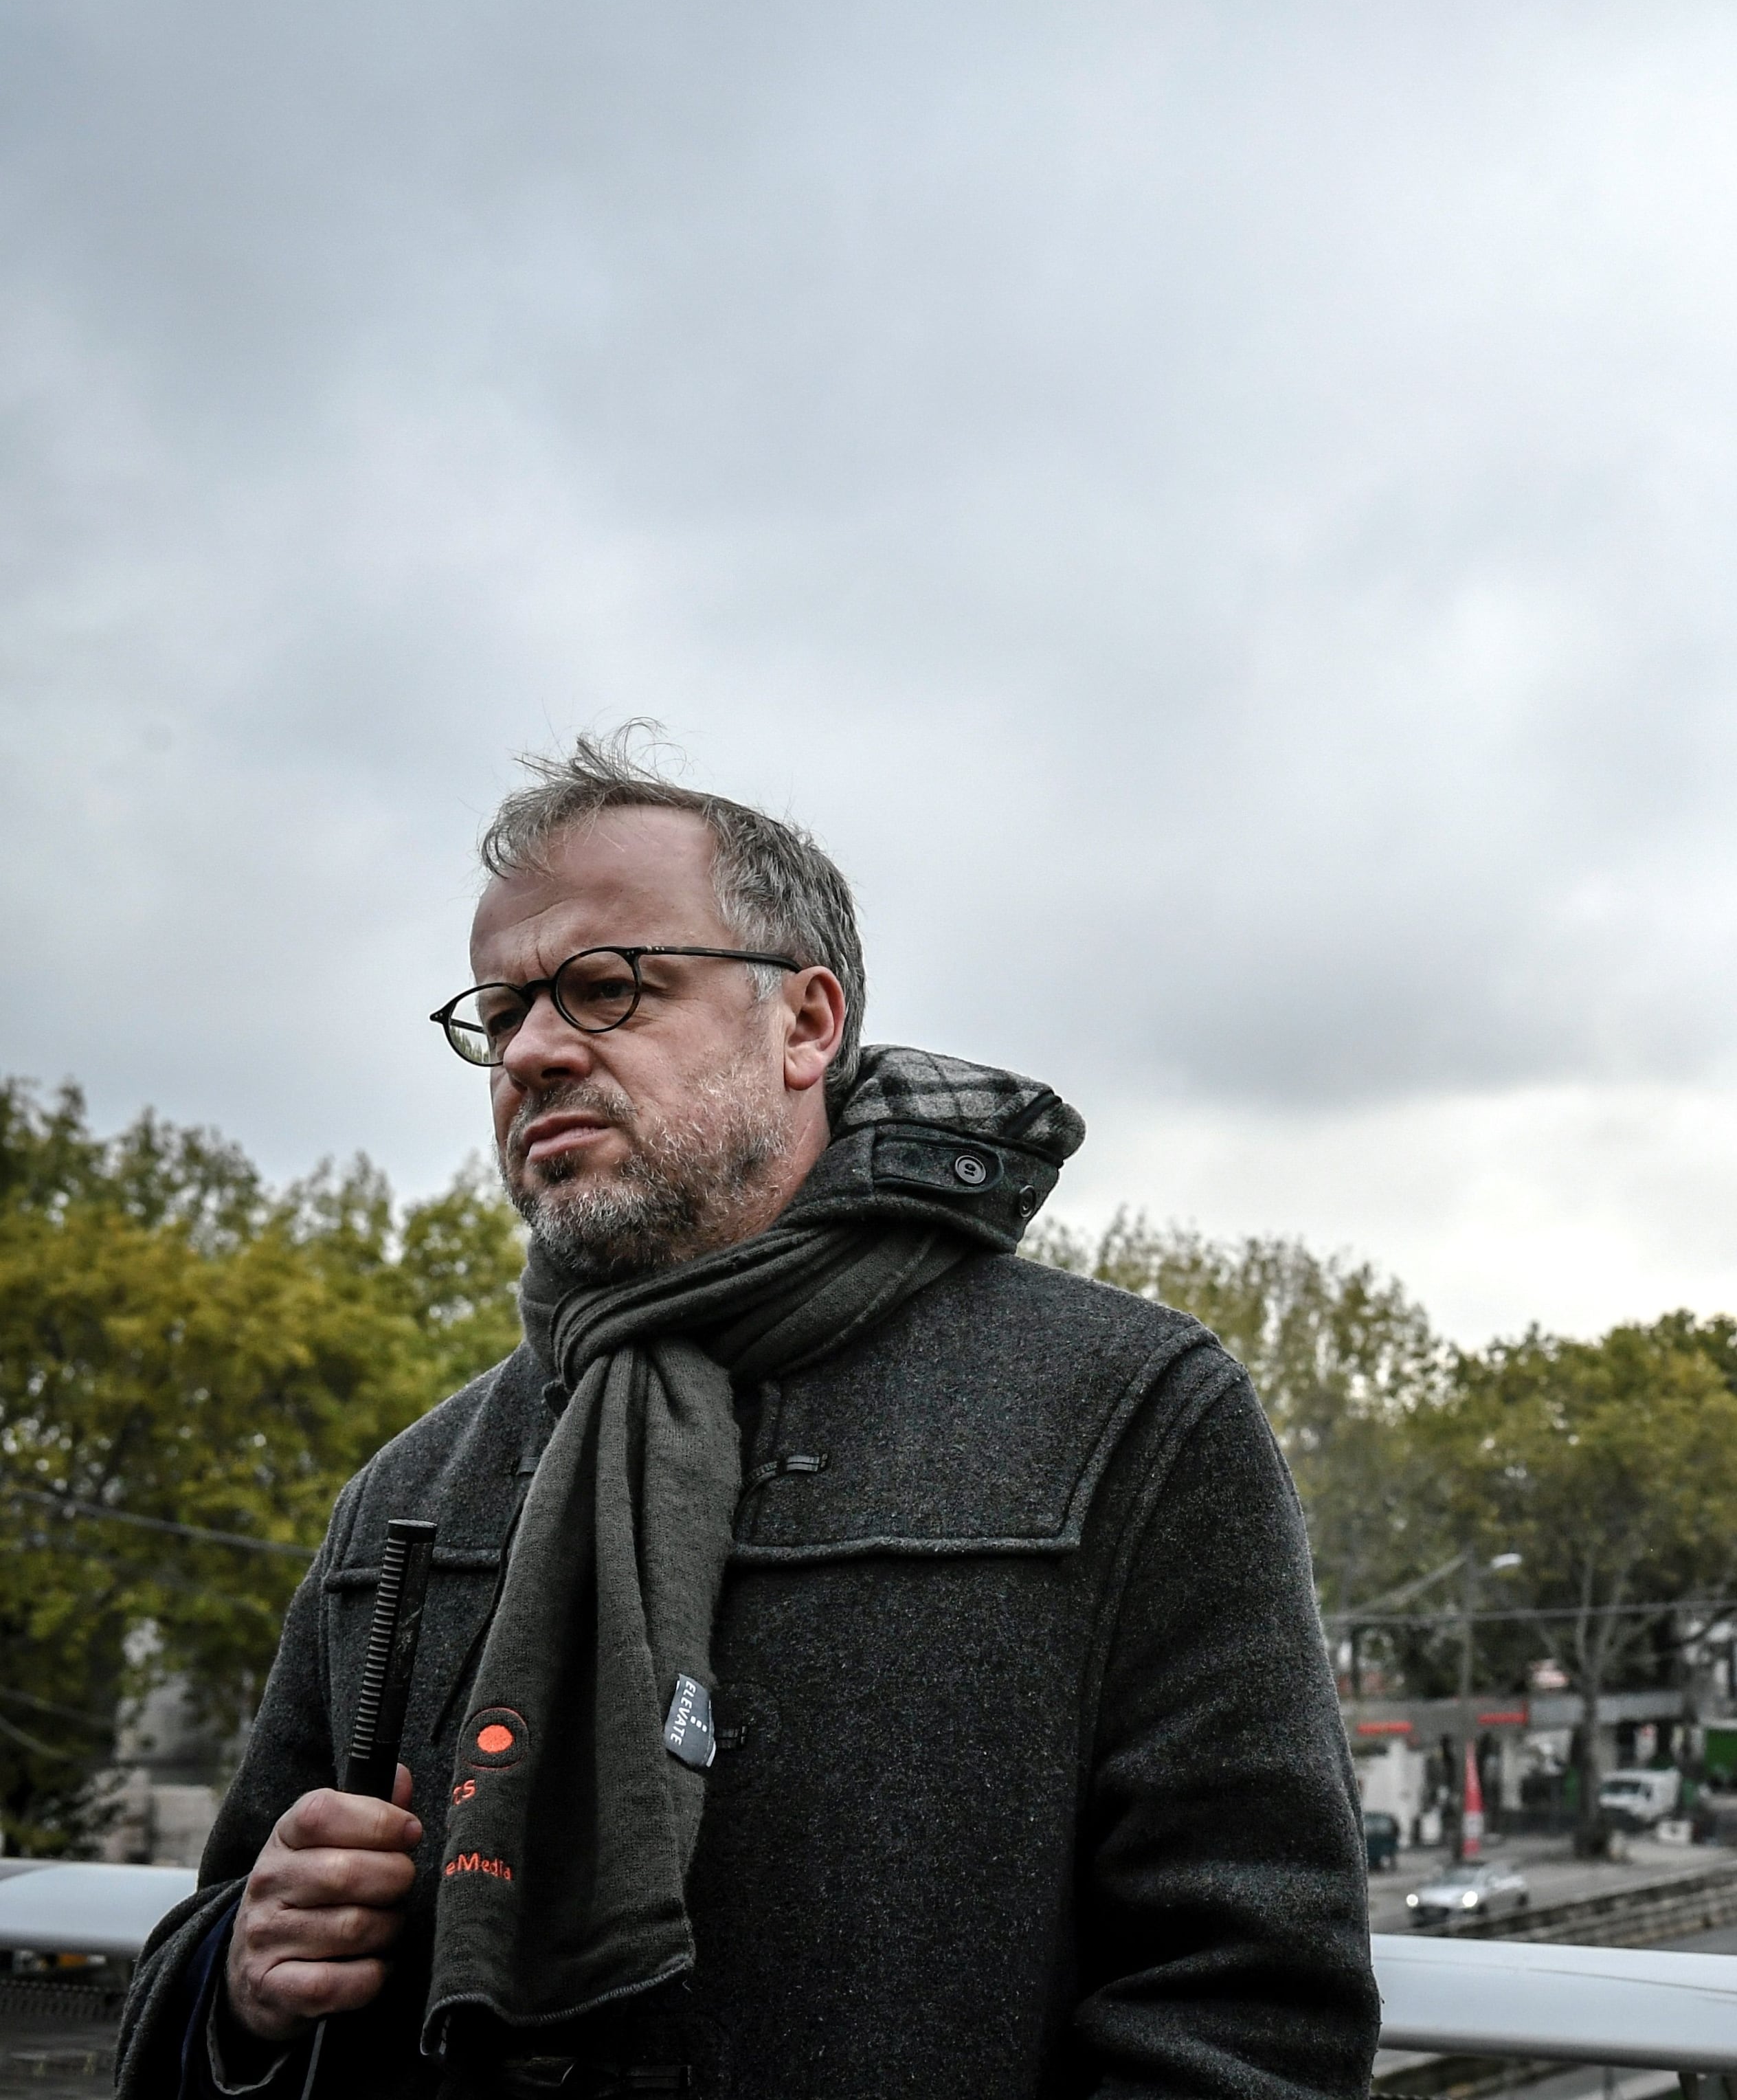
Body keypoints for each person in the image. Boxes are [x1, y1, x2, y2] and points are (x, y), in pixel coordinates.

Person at [115, 736, 1380, 2097]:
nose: (533, 1049)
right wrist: (240, 1981)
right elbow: (225, 1944)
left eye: (606, 987)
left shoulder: (1126, 1413)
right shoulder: (414, 1488)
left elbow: (1252, 2007)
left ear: (807, 1023)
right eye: (500, 1013)